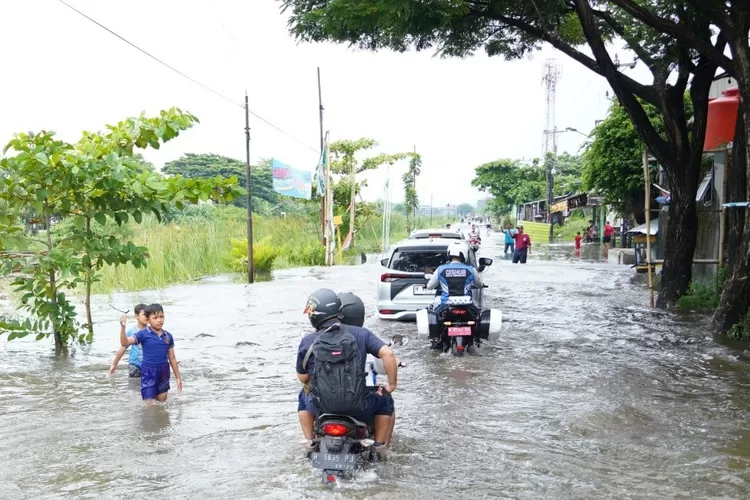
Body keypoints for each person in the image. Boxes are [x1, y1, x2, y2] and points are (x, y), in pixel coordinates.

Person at [296, 289, 398, 456]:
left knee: (303, 396)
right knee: (385, 399)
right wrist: (392, 385)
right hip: (359, 407)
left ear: (314, 315)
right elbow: (388, 354)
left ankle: (310, 443)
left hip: (320, 407)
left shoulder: (308, 340)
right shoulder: (361, 333)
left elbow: (303, 377)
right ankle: (379, 448)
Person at [119, 303, 183, 403]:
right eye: (155, 317)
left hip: (164, 373)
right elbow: (125, 342)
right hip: (148, 373)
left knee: (161, 406)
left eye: (161, 317)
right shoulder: (143, 334)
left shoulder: (168, 336)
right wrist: (123, 328)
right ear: (148, 320)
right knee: (149, 407)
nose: (159, 320)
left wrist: (178, 377)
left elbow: (172, 359)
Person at [426, 241, 483, 315]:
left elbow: (429, 287)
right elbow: (479, 285)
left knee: (434, 313)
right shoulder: (471, 270)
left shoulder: (440, 269)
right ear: (465, 254)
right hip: (467, 305)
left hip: (445, 305)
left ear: (449, 253)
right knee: (477, 314)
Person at [109, 303, 147, 378]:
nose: (146, 317)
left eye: (148, 315)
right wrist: (114, 365)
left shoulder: (151, 331)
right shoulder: (132, 331)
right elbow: (123, 347)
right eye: (144, 315)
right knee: (134, 386)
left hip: (148, 365)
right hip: (134, 364)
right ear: (136, 316)